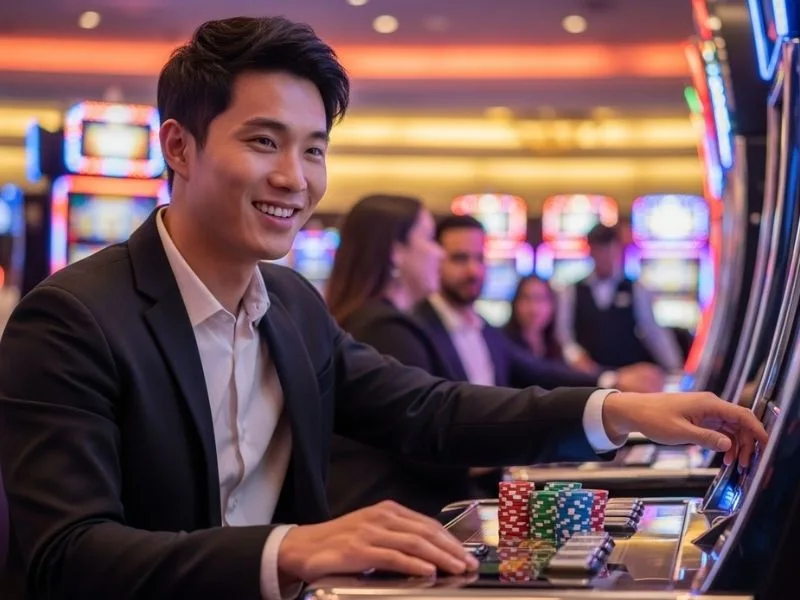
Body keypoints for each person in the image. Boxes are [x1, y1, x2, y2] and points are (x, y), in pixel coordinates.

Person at [0, 15, 767, 600]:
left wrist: (622, 411)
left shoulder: (290, 305)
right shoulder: (72, 320)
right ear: (178, 147)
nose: (295, 178)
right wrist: (289, 549)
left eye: (314, 148)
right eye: (263, 142)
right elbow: (66, 555)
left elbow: (432, 411)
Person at [327, 193, 490, 517]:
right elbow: (429, 446)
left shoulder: (377, 320)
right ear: (395, 252)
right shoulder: (383, 329)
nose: (439, 253)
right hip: (391, 523)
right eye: (429, 239)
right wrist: (532, 445)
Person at [415, 215, 664, 394]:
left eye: (480, 258)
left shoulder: (484, 329)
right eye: (459, 258)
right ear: (436, 259)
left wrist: (613, 379)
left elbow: (541, 372)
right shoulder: (416, 328)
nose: (473, 270)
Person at [555, 223, 684, 374]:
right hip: (588, 377)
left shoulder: (636, 289)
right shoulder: (572, 290)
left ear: (618, 251)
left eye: (609, 251)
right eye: (599, 251)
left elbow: (654, 333)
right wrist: (575, 356)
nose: (604, 257)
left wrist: (675, 368)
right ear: (590, 251)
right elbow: (564, 335)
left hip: (628, 375)